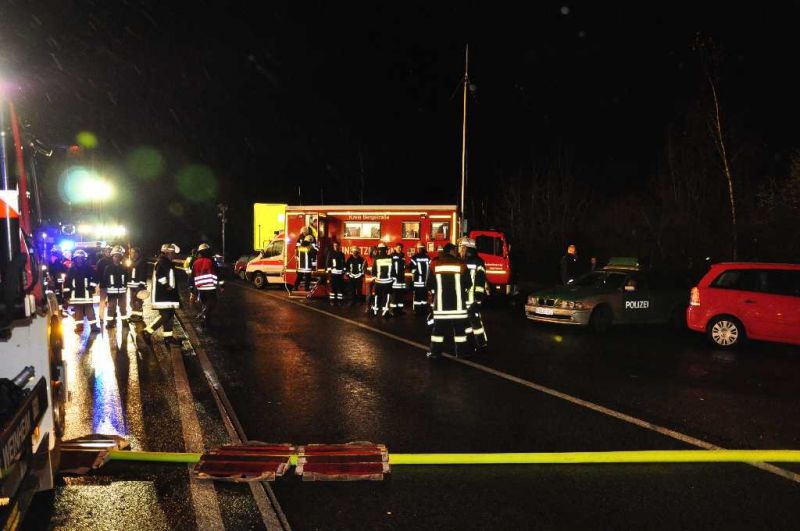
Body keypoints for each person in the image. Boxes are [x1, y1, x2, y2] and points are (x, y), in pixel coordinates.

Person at [426, 243, 472, 359]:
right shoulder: (461, 264)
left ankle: (435, 353)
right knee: (460, 331)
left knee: (438, 331)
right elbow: (469, 284)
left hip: (441, 307)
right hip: (458, 307)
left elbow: (429, 284)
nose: (456, 252)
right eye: (455, 250)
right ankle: (461, 353)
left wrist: (435, 293)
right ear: (451, 251)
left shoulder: (435, 264)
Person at [143, 243, 181, 345]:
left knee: (170, 315)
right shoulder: (163, 262)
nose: (174, 255)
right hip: (163, 295)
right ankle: (147, 331)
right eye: (172, 253)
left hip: (168, 295)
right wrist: (166, 286)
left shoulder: (166, 262)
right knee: (165, 316)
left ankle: (168, 337)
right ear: (167, 252)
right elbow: (160, 275)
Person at [459, 237, 488, 353]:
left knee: (476, 324)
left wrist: (478, 300)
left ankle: (481, 344)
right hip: (464, 299)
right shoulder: (463, 261)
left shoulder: (477, 262)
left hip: (472, 300)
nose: (460, 250)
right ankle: (470, 343)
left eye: (462, 248)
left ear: (467, 248)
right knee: (466, 323)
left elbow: (480, 282)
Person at [63, 249, 98, 334]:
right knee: (78, 311)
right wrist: (67, 294)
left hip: (86, 293)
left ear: (84, 259)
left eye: (81, 258)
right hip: (76, 295)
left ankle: (93, 327)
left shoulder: (88, 268)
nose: (79, 260)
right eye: (78, 258)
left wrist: (91, 287)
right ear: (75, 259)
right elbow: (67, 282)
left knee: (89, 310)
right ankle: (79, 327)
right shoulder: (71, 269)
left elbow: (96, 278)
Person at [191, 243, 224, 326]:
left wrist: (192, 289)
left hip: (200, 287)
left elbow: (192, 276)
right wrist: (222, 286)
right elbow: (218, 274)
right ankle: (203, 315)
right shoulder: (211, 261)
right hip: (210, 286)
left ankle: (206, 322)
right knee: (212, 302)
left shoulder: (195, 262)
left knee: (204, 303)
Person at [102, 246, 129, 328]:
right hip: (111, 292)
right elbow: (105, 279)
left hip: (122, 291)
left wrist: (125, 287)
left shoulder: (124, 268)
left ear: (121, 257)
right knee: (111, 307)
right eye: (115, 256)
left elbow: (127, 278)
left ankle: (124, 322)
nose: (116, 258)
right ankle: (110, 323)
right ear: (112, 257)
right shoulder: (108, 268)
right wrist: (104, 289)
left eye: (118, 256)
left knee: (123, 307)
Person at [370, 242, 393, 317]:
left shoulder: (376, 258)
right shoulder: (390, 258)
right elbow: (393, 270)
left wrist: (374, 279)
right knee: (386, 296)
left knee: (377, 296)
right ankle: (385, 312)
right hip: (388, 282)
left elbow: (374, 270)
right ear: (385, 250)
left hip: (379, 282)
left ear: (379, 250)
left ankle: (375, 311)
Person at [409, 242, 431, 314]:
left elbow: (411, 268)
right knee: (424, 296)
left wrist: (415, 273)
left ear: (418, 249)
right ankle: (424, 310)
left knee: (418, 296)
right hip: (426, 281)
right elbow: (430, 268)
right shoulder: (428, 257)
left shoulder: (414, 257)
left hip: (418, 281)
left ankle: (417, 310)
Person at [127, 247, 147, 322]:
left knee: (138, 301)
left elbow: (143, 274)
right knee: (132, 301)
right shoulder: (132, 262)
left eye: (133, 253)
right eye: (131, 253)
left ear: (137, 253)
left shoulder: (141, 262)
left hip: (138, 286)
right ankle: (134, 315)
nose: (132, 254)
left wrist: (141, 285)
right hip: (132, 286)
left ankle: (138, 316)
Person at [95, 244, 113, 327]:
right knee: (102, 302)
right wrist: (97, 284)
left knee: (112, 302)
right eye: (107, 251)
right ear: (104, 252)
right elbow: (97, 274)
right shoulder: (101, 262)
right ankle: (101, 317)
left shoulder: (114, 260)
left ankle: (112, 317)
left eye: (110, 251)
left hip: (112, 286)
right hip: (104, 285)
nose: (108, 252)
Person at [325, 241, 346, 305]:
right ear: (333, 246)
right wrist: (329, 271)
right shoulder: (330, 253)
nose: (336, 247)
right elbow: (328, 262)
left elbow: (343, 263)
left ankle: (339, 300)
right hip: (333, 273)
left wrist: (344, 270)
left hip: (340, 273)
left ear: (339, 246)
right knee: (333, 288)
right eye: (335, 246)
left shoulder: (342, 254)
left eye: (337, 246)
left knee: (340, 288)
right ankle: (332, 300)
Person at [390, 243, 407, 315]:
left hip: (401, 279)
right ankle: (392, 311)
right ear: (395, 248)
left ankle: (400, 310)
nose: (399, 249)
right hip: (395, 279)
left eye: (400, 248)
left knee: (400, 295)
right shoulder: (392, 256)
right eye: (398, 247)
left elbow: (403, 266)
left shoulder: (403, 256)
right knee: (394, 296)